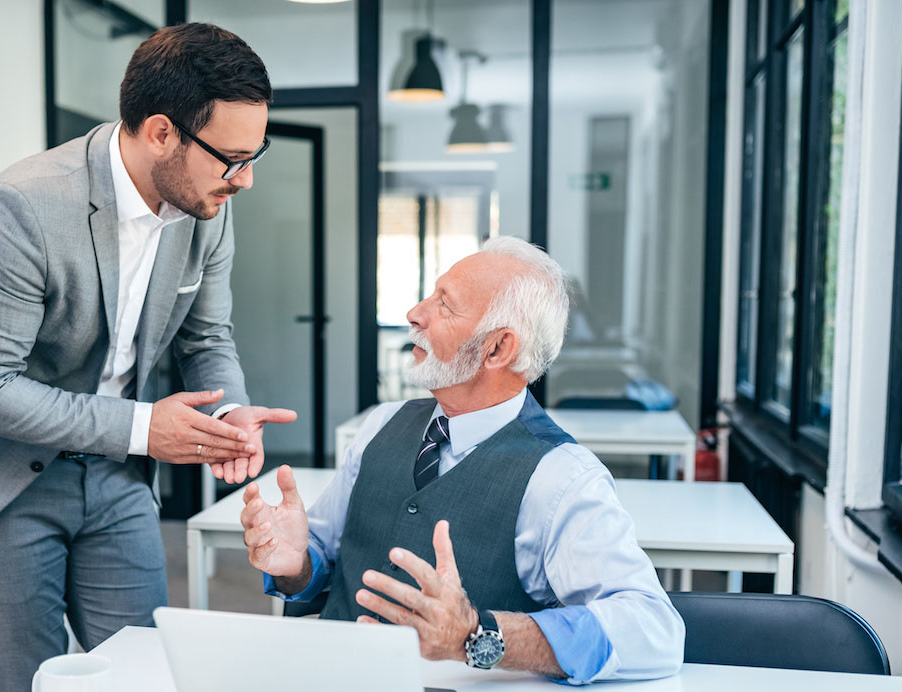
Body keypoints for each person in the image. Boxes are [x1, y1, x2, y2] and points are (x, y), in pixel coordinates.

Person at [0, 23, 296, 691]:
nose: (244, 181)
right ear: (161, 132)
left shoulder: (206, 205)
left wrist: (230, 413)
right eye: (231, 157)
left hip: (114, 474)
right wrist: (144, 427)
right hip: (3, 468)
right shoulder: (20, 209)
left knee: (143, 671)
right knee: (32, 678)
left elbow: (207, 338)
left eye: (256, 154)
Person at [241, 237, 684, 683]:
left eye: (445, 305)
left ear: (497, 349)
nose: (415, 312)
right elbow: (320, 567)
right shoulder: (381, 424)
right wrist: (296, 565)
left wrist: (477, 635)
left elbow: (655, 630)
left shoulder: (563, 477)